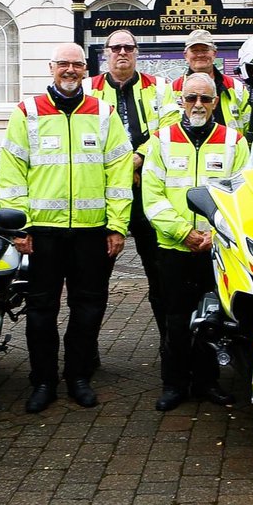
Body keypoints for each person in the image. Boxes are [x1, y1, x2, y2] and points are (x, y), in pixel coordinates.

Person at [0, 43, 133, 414]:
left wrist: (117, 225)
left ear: (86, 70)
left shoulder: (104, 113)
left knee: (87, 308)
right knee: (41, 311)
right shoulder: (26, 113)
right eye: (63, 65)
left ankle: (78, 377)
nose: (70, 71)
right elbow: (12, 176)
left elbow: (119, 174)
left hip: (92, 231)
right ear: (51, 68)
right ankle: (43, 381)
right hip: (42, 233)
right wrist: (19, 228)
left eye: (77, 65)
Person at [142, 72, 250, 411]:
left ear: (216, 102)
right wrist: (183, 232)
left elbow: (242, 196)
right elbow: (152, 197)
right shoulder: (160, 140)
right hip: (174, 248)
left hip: (217, 250)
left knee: (214, 320)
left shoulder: (234, 141)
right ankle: (174, 384)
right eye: (191, 98)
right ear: (181, 102)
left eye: (205, 99)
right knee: (175, 319)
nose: (198, 105)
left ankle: (207, 382)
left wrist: (214, 234)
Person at [85, 29, 174, 374]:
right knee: (94, 282)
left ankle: (171, 352)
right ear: (105, 54)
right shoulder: (90, 89)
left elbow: (167, 130)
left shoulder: (159, 87)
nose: (122, 52)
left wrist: (138, 157)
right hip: (105, 198)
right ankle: (87, 356)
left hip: (148, 195)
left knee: (161, 279)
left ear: (137, 53)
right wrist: (122, 166)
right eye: (115, 47)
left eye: (128, 47)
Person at [170, 29, 253, 134]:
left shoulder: (236, 88)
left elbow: (252, 126)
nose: (200, 55)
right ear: (186, 55)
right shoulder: (172, 89)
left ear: (214, 53)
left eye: (205, 50)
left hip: (229, 148)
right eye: (195, 50)